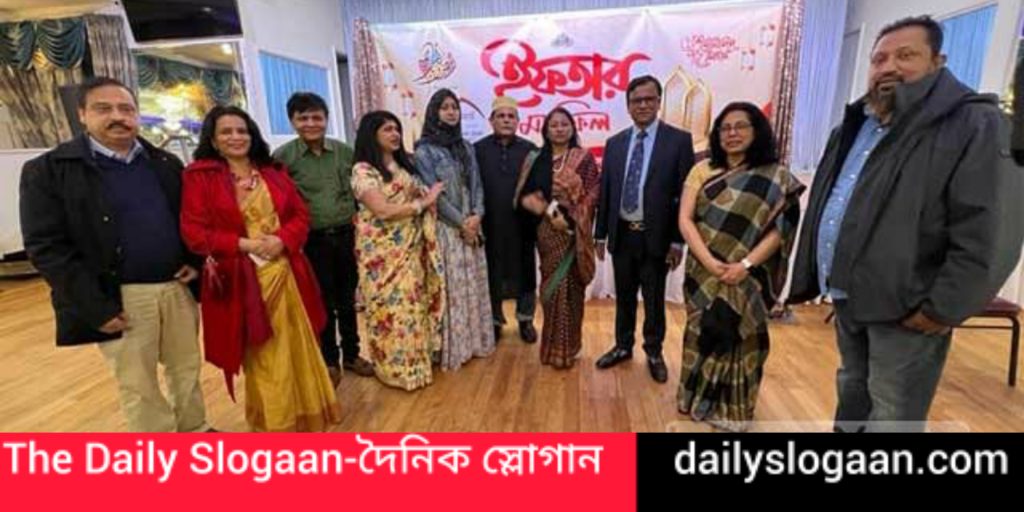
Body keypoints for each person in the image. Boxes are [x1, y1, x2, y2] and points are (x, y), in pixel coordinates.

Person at [788, 16, 1024, 432]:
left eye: (906, 55)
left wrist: (943, 307)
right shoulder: (856, 126)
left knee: (894, 410)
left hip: (909, 305)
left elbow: (991, 228)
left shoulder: (974, 124)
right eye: (879, 59)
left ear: (938, 61)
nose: (889, 67)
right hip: (848, 291)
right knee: (852, 387)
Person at [19, 76, 210, 432]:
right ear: (82, 114)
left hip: (176, 288)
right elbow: (46, 247)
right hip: (119, 296)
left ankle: (195, 430)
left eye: (126, 109)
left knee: (186, 368)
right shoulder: (50, 170)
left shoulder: (165, 163)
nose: (117, 117)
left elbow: (189, 220)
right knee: (138, 383)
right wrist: (94, 307)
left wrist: (193, 261)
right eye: (103, 109)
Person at [180, 105, 341, 432]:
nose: (236, 137)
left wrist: (282, 240)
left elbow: (300, 216)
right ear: (213, 139)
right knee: (264, 354)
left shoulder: (273, 172)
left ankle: (309, 416)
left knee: (300, 346)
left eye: (242, 130)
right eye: (226, 132)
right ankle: (277, 425)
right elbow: (194, 232)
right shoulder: (200, 177)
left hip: (287, 274)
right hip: (244, 281)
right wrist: (244, 244)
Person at [676, 102, 804, 431]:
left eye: (740, 126)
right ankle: (695, 399)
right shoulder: (701, 169)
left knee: (744, 336)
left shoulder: (776, 176)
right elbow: (685, 220)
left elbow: (781, 230)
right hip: (703, 271)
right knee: (701, 332)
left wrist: (745, 264)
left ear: (757, 130)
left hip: (749, 275)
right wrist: (710, 262)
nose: (732, 133)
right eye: (725, 128)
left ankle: (732, 411)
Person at [594, 75, 695, 383]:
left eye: (649, 99)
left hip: (657, 238)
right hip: (623, 234)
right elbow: (606, 191)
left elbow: (685, 194)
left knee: (653, 299)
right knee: (624, 297)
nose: (643, 105)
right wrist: (600, 234)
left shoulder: (678, 141)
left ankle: (653, 351)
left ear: (659, 102)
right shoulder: (615, 143)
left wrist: (677, 241)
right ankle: (623, 346)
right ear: (628, 105)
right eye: (636, 100)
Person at [272, 92, 374, 385]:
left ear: (326, 119)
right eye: (303, 118)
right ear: (292, 121)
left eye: (317, 117)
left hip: (347, 236)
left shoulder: (345, 152)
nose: (311, 123)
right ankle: (329, 360)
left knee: (348, 299)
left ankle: (352, 354)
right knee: (321, 301)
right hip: (311, 242)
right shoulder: (282, 158)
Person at [351, 110, 445, 391]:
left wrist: (425, 196)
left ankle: (416, 365)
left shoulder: (402, 165)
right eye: (387, 129)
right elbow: (382, 210)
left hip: (410, 248)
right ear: (371, 135)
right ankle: (393, 370)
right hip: (381, 256)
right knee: (388, 311)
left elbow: (415, 192)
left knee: (412, 307)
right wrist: (422, 203)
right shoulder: (363, 170)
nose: (395, 134)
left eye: (396, 129)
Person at [415, 88, 496, 370]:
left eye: (455, 107)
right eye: (445, 108)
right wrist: (462, 223)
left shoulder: (466, 147)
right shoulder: (424, 151)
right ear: (434, 113)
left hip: (471, 227)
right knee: (453, 290)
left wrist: (477, 216)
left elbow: (477, 186)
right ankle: (456, 348)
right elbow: (433, 196)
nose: (451, 112)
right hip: (448, 229)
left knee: (472, 285)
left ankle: (475, 343)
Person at [516, 107, 601, 368]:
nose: (560, 129)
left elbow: (593, 193)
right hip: (546, 231)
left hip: (573, 233)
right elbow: (524, 195)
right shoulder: (535, 158)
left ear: (572, 128)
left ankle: (567, 348)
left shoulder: (583, 158)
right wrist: (551, 213)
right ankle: (551, 347)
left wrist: (573, 219)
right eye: (554, 125)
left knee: (570, 290)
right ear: (546, 130)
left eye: (564, 124)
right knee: (551, 291)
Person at [474, 96, 540, 343]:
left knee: (525, 272)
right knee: (491, 272)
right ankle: (494, 321)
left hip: (522, 225)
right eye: (500, 116)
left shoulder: (530, 150)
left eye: (511, 116)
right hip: (489, 223)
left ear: (518, 121)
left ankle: (526, 319)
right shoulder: (477, 150)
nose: (506, 120)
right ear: (491, 121)